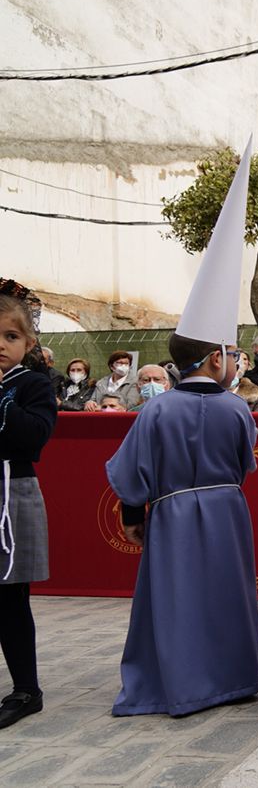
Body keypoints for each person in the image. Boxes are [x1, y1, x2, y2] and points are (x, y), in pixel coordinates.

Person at [106, 143, 258, 717]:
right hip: (225, 511)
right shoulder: (237, 409)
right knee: (225, 597)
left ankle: (176, 683)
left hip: (170, 515)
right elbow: (246, 463)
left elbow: (130, 479)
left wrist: (133, 518)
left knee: (174, 601)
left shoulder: (156, 409)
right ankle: (232, 679)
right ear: (216, 357)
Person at [0, 293, 58, 730]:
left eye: (11, 336)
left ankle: (26, 688)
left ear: (29, 342)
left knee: (10, 596)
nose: (1, 344)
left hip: (11, 491)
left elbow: (34, 438)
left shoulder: (33, 385)